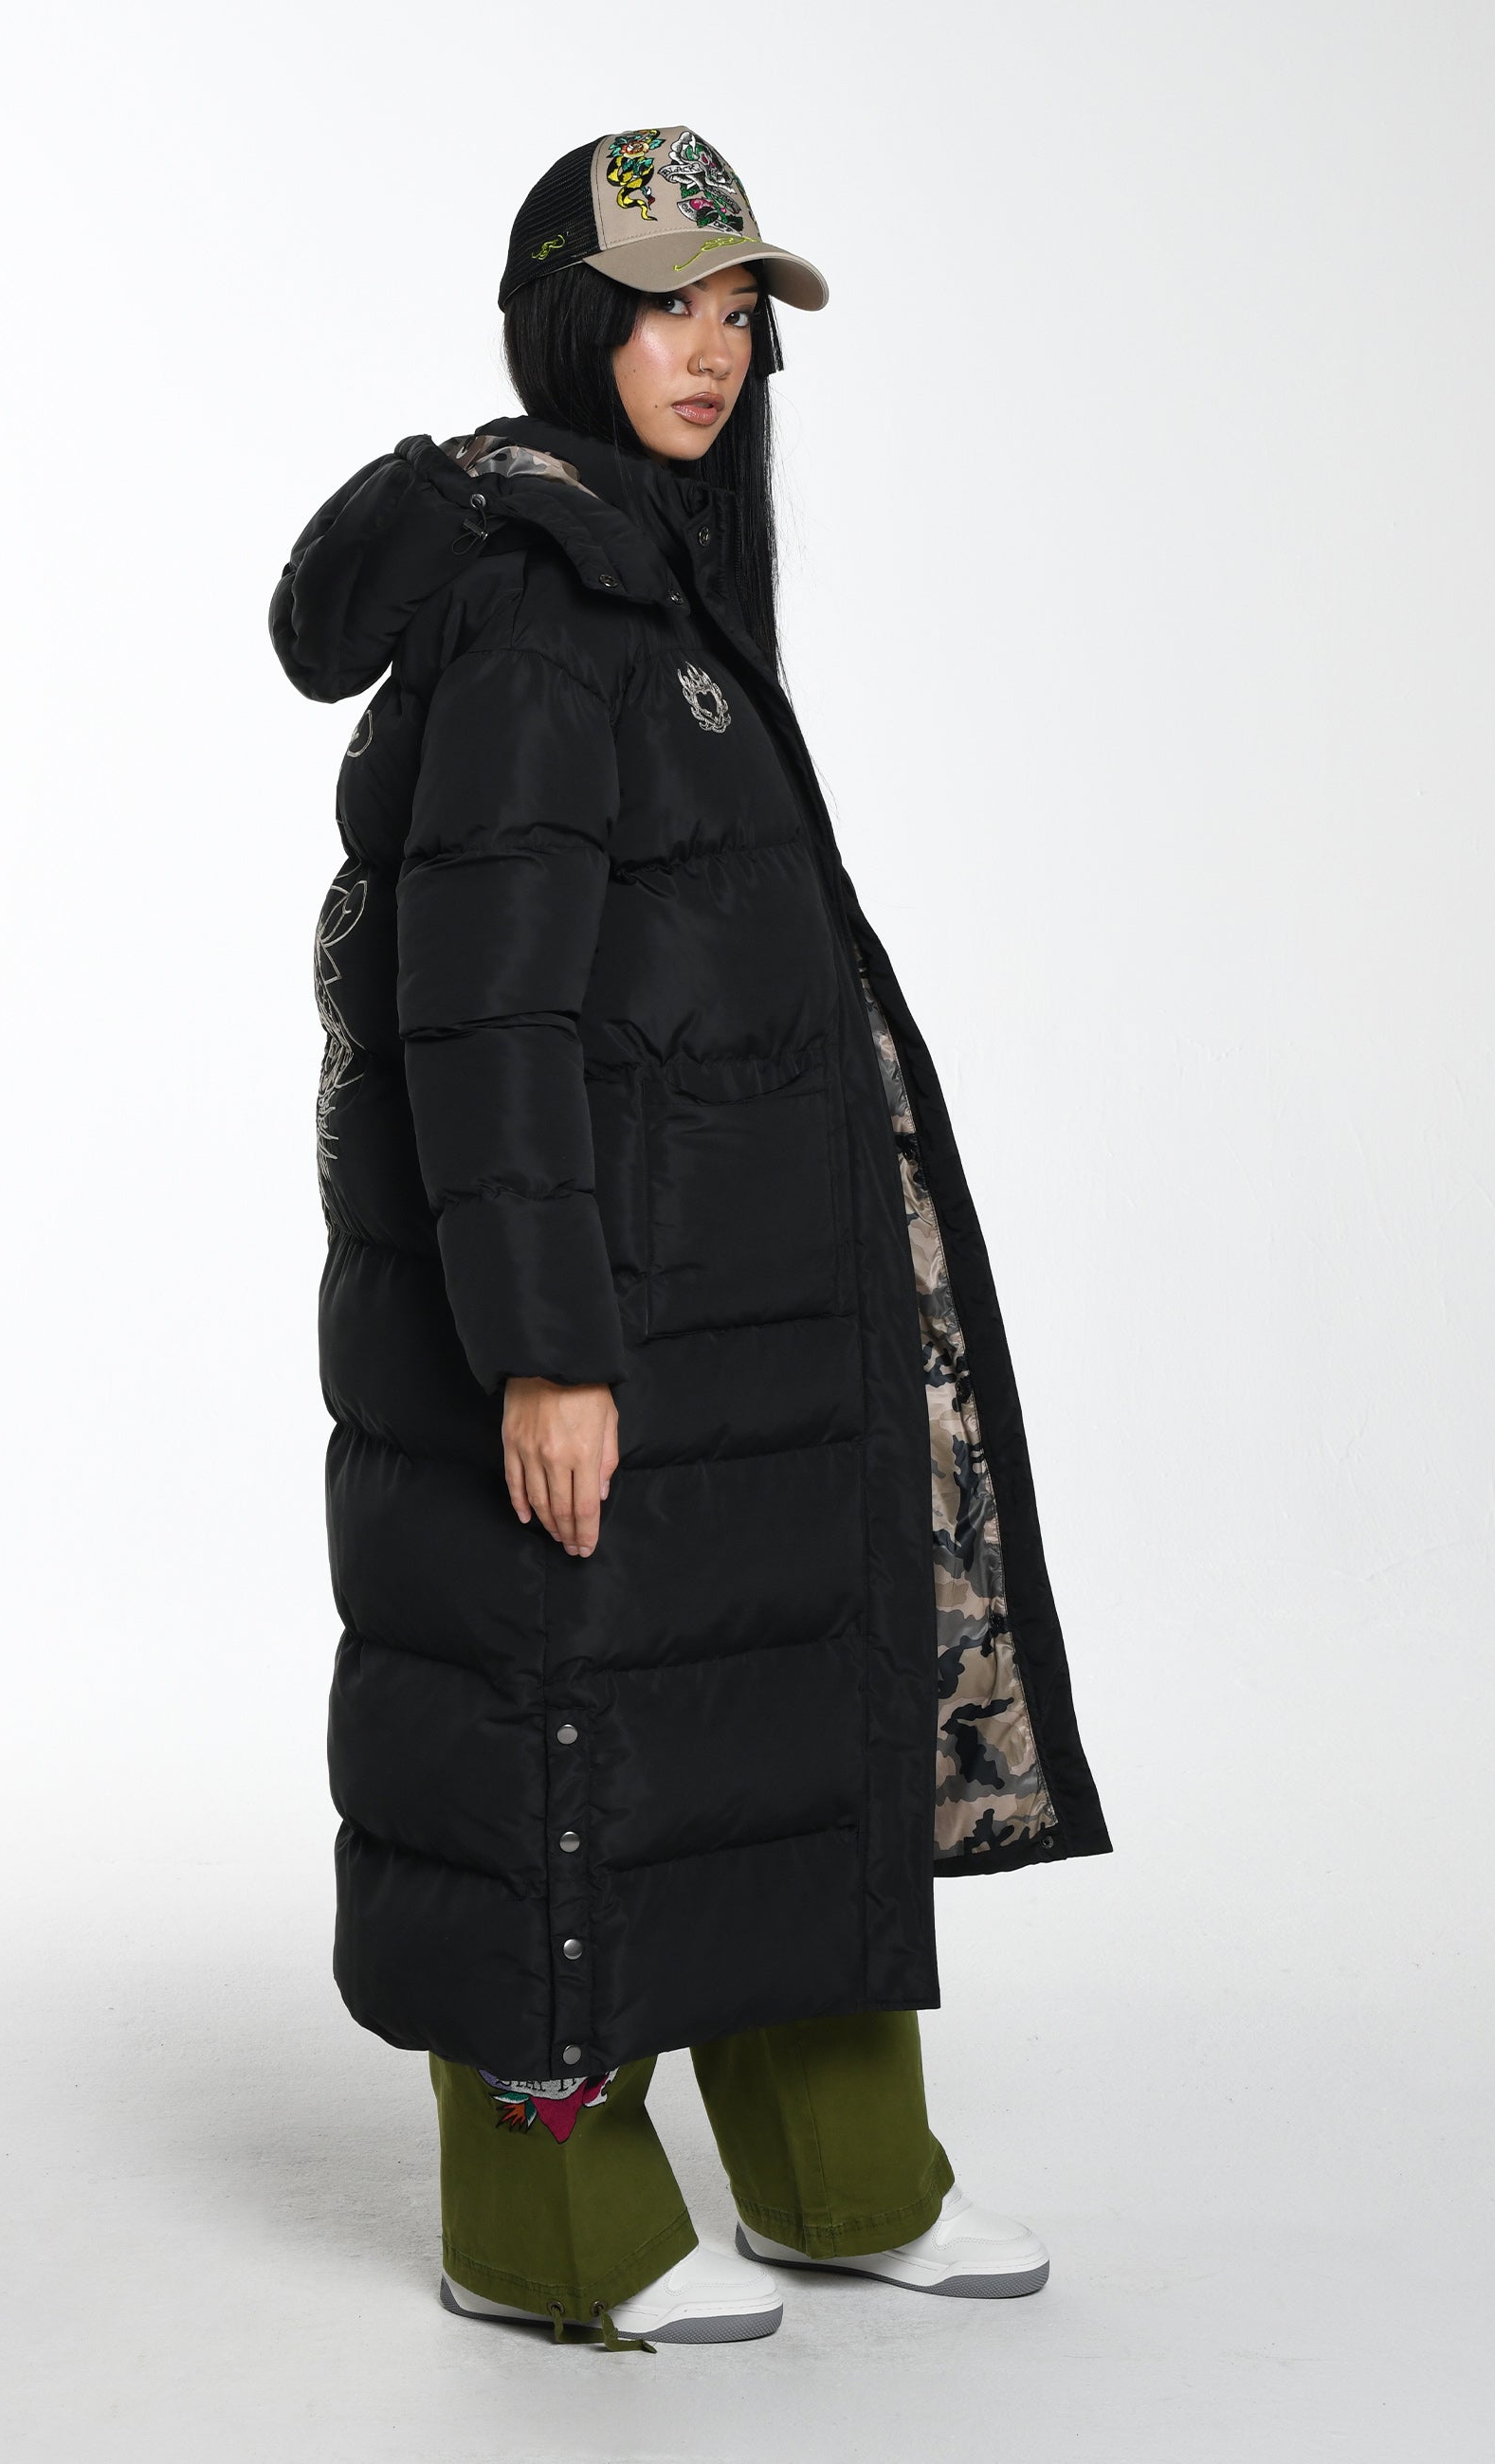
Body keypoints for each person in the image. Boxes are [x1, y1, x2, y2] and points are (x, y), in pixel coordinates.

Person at [269, 124, 1110, 2352]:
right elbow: (486, 1011)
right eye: (664, 306)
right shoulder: (541, 611)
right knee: (571, 1731)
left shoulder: (653, 583)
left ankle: (845, 2177)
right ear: (569, 320)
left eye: (737, 312)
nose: (712, 352)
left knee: (782, 1709)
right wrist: (544, 1346)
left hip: (742, 1305)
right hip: (600, 1316)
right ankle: (546, 2229)